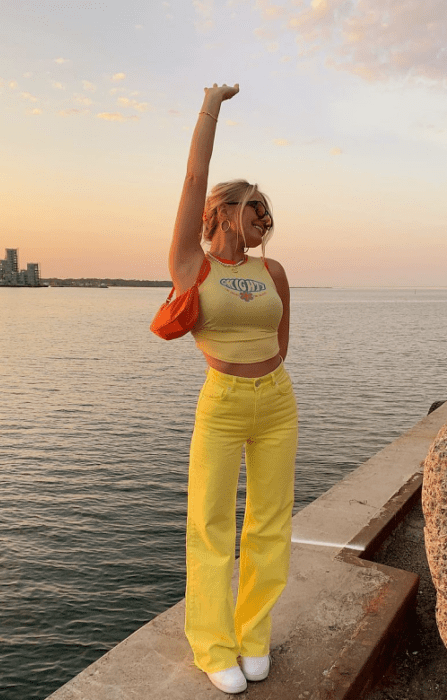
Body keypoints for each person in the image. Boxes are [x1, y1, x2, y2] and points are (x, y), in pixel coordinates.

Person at [168, 83, 298, 694]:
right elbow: (194, 176)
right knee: (212, 524)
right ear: (224, 212)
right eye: (255, 212)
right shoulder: (194, 266)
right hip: (220, 404)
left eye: (266, 217)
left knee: (270, 524)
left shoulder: (272, 272)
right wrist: (211, 107)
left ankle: (253, 637)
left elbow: (281, 339)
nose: (264, 223)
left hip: (276, 401)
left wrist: (266, 379)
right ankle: (212, 644)